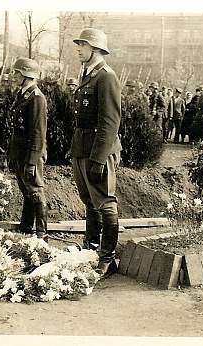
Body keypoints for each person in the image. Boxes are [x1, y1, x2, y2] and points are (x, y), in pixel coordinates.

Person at [72, 28, 122, 278]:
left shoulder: (106, 77)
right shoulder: (87, 75)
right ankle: (90, 249)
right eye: (79, 44)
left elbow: (110, 122)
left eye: (82, 45)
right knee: (89, 201)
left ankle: (108, 259)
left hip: (98, 150)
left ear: (96, 48)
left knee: (104, 201)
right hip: (82, 147)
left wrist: (99, 158)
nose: (78, 48)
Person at [9, 57, 48, 237]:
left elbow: (38, 133)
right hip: (20, 151)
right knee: (26, 190)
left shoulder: (36, 98)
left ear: (27, 74)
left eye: (17, 73)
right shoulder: (22, 94)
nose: (14, 76)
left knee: (35, 191)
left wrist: (32, 161)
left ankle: (42, 232)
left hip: (31, 152)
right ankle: (26, 227)